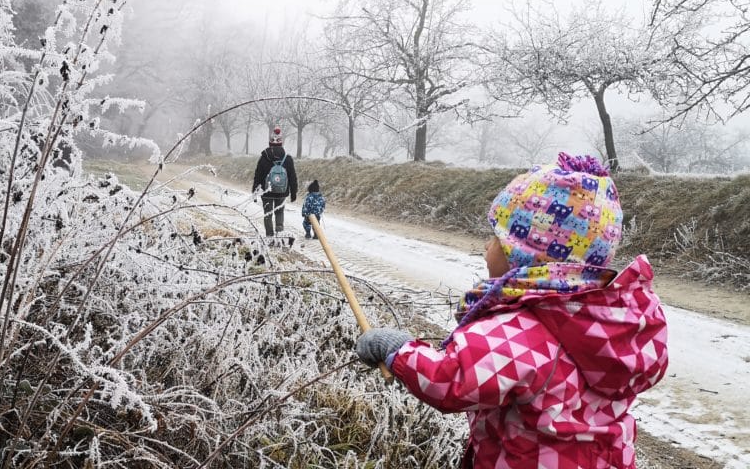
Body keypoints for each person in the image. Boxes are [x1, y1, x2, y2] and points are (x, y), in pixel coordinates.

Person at [354, 153, 668, 469]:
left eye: (496, 239)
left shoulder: (524, 330)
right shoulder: (601, 320)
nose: (486, 247)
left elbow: (450, 379)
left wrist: (397, 350)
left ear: (527, 258)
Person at [252, 126, 297, 236]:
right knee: (279, 212)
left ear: (270, 143)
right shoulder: (288, 158)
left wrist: (254, 191)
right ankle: (279, 235)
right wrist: (293, 192)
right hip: (282, 191)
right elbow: (292, 176)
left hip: (266, 191)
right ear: (281, 143)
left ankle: (269, 236)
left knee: (268, 214)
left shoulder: (264, 157)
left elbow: (258, 175)